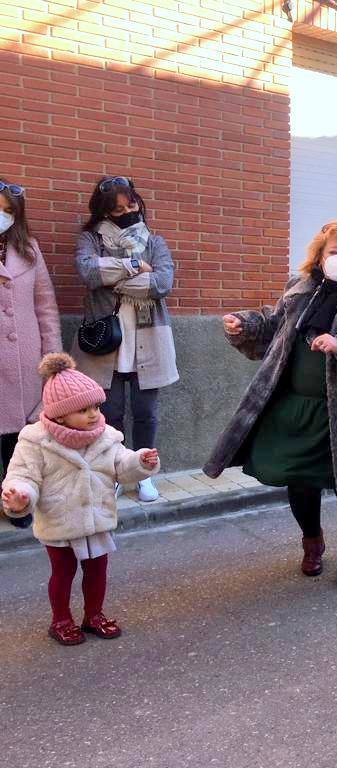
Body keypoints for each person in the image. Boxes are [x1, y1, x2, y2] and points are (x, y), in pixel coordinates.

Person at [208, 220, 337, 591]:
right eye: (334, 252)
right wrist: (243, 325)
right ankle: (312, 543)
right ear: (320, 255)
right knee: (298, 480)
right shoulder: (299, 290)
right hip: (295, 407)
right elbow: (273, 328)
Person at [1, 354, 159, 645]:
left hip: (96, 519)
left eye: (96, 406)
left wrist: (140, 462)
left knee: (98, 570)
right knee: (63, 572)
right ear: (60, 414)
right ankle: (60, 619)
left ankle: (93, 615)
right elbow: (24, 476)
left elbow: (122, 467)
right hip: (60, 522)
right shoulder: (35, 441)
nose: (93, 414)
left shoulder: (106, 436)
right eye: (83, 409)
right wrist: (20, 496)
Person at [71, 176, 177, 504]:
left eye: (130, 204)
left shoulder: (155, 241)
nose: (126, 211)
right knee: (111, 413)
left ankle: (144, 474)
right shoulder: (91, 239)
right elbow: (88, 273)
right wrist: (134, 265)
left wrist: (113, 279)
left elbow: (161, 283)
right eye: (117, 208)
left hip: (149, 339)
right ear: (104, 211)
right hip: (107, 343)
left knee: (146, 412)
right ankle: (116, 472)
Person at [0, 179, 61, 531]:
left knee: (22, 439)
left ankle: (19, 503)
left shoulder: (30, 250)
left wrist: (52, 359)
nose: (4, 216)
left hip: (26, 357)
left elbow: (46, 308)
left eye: (9, 211)